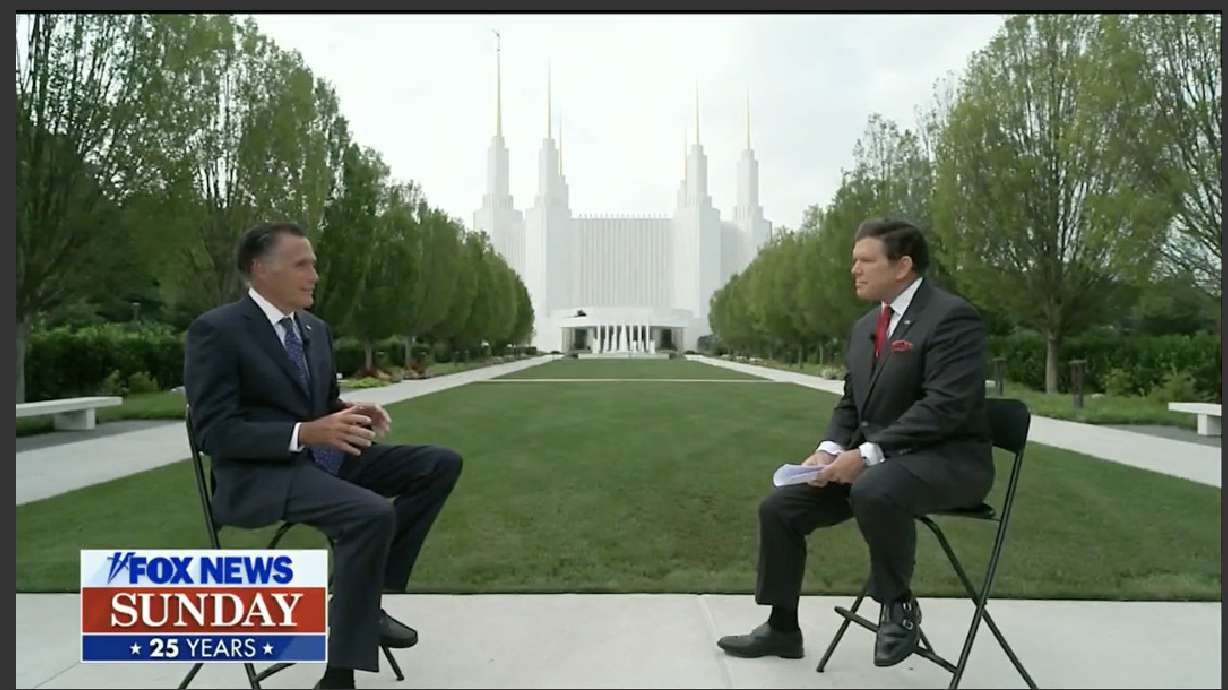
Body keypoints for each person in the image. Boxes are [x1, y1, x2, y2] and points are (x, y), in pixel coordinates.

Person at [184, 222, 463, 689]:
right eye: (302, 264)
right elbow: (214, 432)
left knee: (440, 464)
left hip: (325, 461)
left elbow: (316, 405)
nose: (314, 274)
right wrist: (307, 431)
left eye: (313, 264)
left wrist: (346, 410)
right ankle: (339, 676)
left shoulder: (315, 329)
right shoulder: (216, 331)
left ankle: (363, 601)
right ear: (259, 270)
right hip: (261, 477)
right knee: (371, 514)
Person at [716, 217, 993, 667]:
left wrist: (867, 454)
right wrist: (828, 450)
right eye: (854, 261)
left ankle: (898, 605)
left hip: (949, 462)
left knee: (873, 488)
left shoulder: (951, 318)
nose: (854, 270)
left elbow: (945, 405)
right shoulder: (867, 325)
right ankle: (782, 627)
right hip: (880, 464)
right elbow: (852, 405)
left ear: (902, 266)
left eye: (865, 260)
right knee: (780, 507)